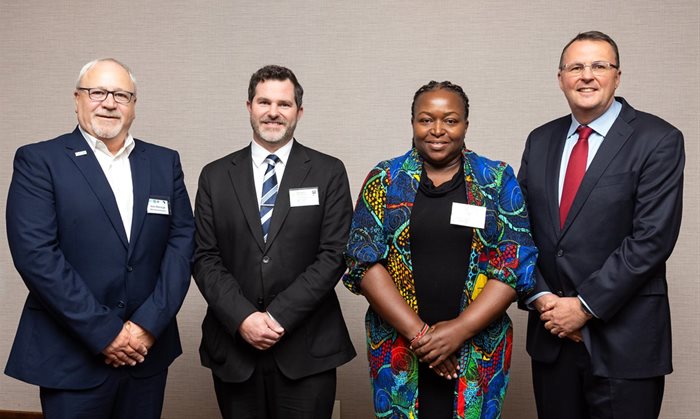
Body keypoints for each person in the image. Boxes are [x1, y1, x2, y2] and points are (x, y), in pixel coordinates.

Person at [4, 58, 195, 418]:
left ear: (134, 106)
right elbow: (36, 255)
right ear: (77, 99)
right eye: (98, 92)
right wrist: (106, 333)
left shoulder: (163, 162)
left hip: (147, 354)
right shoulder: (40, 160)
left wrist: (147, 326)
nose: (109, 102)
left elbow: (182, 244)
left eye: (122, 94)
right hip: (72, 356)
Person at [344, 81, 537, 419]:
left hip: (477, 349)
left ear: (466, 124)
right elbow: (363, 261)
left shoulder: (496, 180)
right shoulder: (385, 178)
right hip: (399, 347)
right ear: (413, 123)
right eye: (425, 119)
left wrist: (458, 331)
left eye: (450, 120)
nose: (437, 130)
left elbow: (514, 264)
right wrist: (422, 337)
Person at [518, 31, 685, 419]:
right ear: (560, 78)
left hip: (625, 342)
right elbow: (519, 231)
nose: (587, 75)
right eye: (575, 67)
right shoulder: (540, 140)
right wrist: (544, 300)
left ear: (617, 76)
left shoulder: (658, 139)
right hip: (552, 335)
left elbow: (652, 239)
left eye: (599, 66)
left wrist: (584, 307)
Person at [193, 65, 356, 419]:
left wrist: (278, 316)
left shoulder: (328, 172)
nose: (273, 112)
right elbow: (204, 257)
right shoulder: (215, 175)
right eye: (264, 101)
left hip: (307, 349)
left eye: (284, 104)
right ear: (249, 106)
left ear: (299, 111)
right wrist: (243, 318)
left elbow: (334, 254)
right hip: (236, 349)